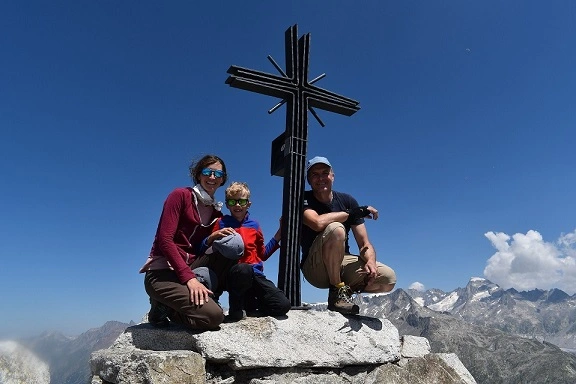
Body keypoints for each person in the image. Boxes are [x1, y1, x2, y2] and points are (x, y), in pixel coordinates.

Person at [139, 154, 248, 331]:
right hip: (162, 273)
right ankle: (163, 308)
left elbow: (199, 248)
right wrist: (189, 279)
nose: (212, 177)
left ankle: (213, 296)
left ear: (222, 180)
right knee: (214, 317)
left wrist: (211, 239)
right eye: (208, 172)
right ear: (199, 175)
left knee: (232, 243)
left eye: (218, 174)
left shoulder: (215, 213)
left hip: (190, 268)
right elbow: (164, 240)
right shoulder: (180, 196)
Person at [300, 156, 397, 315]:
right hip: (314, 267)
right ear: (309, 180)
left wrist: (371, 262)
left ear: (333, 176)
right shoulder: (303, 198)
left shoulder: (347, 200)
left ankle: (344, 292)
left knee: (388, 279)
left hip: (341, 261)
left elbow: (364, 243)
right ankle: (336, 293)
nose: (321, 178)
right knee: (337, 228)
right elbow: (316, 222)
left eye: (325, 173)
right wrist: (351, 213)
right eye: (315, 174)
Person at [203, 181, 291, 320]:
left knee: (282, 305)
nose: (237, 205)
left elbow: (262, 254)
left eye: (241, 201)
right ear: (227, 205)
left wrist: (279, 234)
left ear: (248, 204)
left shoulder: (255, 225)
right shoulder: (221, 223)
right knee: (242, 269)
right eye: (232, 202)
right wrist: (212, 237)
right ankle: (236, 310)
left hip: (254, 274)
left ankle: (250, 305)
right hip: (232, 274)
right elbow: (211, 250)